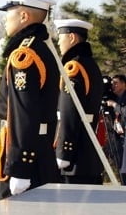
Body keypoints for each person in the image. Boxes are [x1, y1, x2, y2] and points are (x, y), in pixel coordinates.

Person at [0, 0, 60, 199]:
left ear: (23, 15)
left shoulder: (25, 55)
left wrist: (20, 167)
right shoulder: (40, 48)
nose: (5, 19)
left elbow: (24, 112)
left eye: (8, 14)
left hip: (26, 157)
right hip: (39, 150)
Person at [53, 19, 104, 184]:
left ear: (72, 38)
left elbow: (69, 112)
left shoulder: (73, 67)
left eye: (61, 38)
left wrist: (64, 152)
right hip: (89, 152)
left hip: (75, 156)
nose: (59, 43)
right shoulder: (90, 64)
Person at [106, 74, 126, 184]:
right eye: (112, 83)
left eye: (116, 83)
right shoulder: (114, 97)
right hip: (118, 135)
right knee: (119, 164)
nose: (113, 85)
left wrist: (114, 105)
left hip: (124, 135)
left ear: (124, 84)